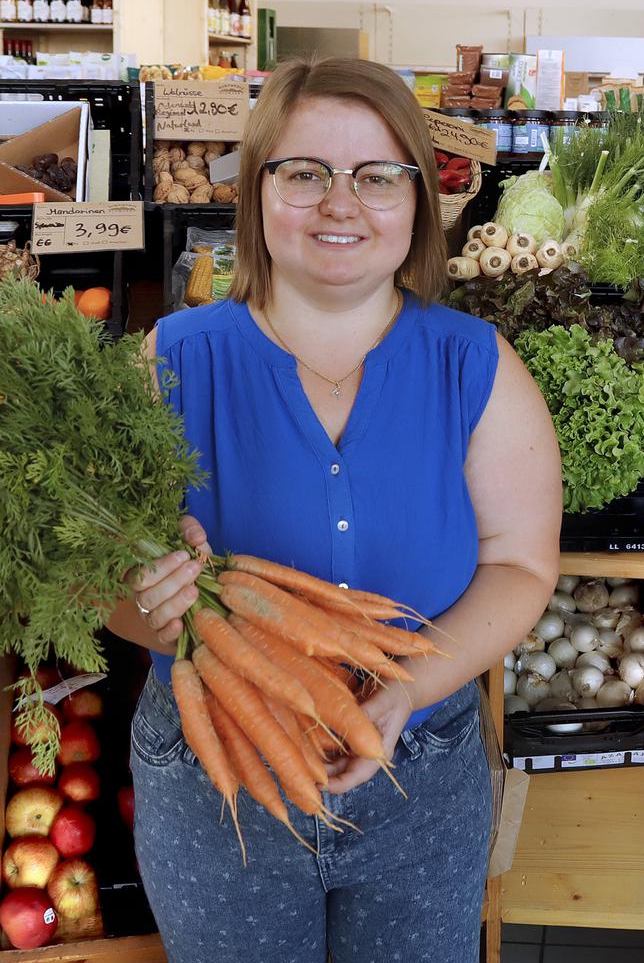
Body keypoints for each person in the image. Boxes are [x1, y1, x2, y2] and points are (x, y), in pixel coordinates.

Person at [104, 57, 563, 963]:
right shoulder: (166, 363)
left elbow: (522, 566)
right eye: (305, 172)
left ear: (418, 200)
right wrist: (146, 603)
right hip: (218, 778)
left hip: (421, 773)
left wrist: (404, 691)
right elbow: (92, 577)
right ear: (259, 192)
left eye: (377, 176)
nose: (340, 204)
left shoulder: (476, 365)